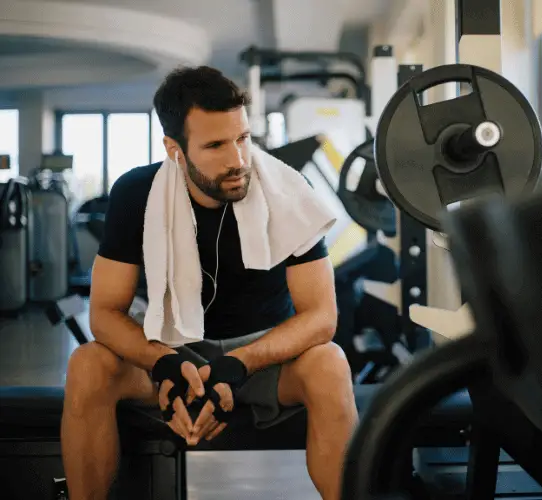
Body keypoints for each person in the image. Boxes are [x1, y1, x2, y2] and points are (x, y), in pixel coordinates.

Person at [61, 66, 357, 500]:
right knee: (87, 365)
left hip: (264, 357)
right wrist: (165, 365)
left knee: (330, 364)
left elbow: (321, 317)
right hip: (168, 346)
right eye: (216, 145)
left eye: (242, 138)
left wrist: (236, 365)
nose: (237, 159)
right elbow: (104, 313)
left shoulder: (289, 191)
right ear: (174, 149)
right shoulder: (135, 193)